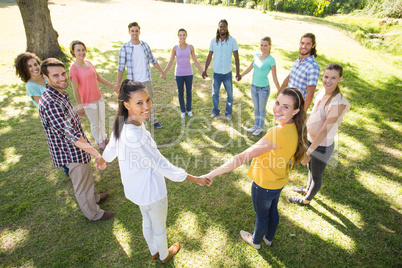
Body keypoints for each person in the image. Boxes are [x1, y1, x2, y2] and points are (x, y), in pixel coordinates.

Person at [102, 80, 209, 263]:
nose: (147, 106)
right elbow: (161, 164)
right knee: (159, 227)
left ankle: (154, 250)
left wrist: (103, 159)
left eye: (148, 100)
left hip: (137, 190)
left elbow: (111, 150)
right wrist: (195, 178)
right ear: (126, 105)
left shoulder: (123, 124)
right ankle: (164, 254)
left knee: (147, 219)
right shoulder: (134, 136)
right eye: (139, 103)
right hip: (152, 192)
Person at [203, 88, 307, 249]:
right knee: (273, 211)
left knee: (262, 216)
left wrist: (212, 173)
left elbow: (241, 157)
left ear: (296, 111)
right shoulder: (297, 128)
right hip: (279, 182)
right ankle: (268, 238)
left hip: (264, 185)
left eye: (286, 107)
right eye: (277, 102)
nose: (278, 109)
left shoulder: (276, 134)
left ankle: (256, 241)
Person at [38, 58, 114, 221]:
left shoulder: (58, 93)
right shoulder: (51, 102)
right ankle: (94, 214)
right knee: (81, 184)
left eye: (63, 73)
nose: (62, 78)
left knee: (87, 177)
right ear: (45, 77)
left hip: (78, 148)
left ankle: (94, 198)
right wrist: (97, 154)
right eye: (55, 75)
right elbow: (71, 135)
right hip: (70, 151)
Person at [288, 63, 350, 206]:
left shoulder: (338, 102)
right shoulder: (321, 92)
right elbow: (315, 115)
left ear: (340, 79)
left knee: (316, 175)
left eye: (333, 78)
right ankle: (306, 189)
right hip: (310, 140)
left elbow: (324, 129)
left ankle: (306, 200)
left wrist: (309, 151)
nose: (328, 81)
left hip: (321, 146)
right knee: (310, 169)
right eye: (326, 77)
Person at [14, 52, 69, 176]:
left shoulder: (46, 77)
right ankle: (67, 169)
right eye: (30, 66)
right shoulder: (30, 86)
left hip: (63, 112)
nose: (34, 68)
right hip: (52, 117)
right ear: (24, 69)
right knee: (61, 143)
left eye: (36, 64)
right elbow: (43, 104)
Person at [116, 22, 166, 128]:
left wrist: (162, 71)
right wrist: (117, 84)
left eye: (136, 31)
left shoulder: (145, 45)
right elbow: (120, 67)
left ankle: (153, 120)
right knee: (136, 103)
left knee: (149, 101)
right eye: (132, 31)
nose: (134, 33)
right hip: (133, 82)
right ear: (129, 32)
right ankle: (141, 122)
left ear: (139, 32)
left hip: (146, 79)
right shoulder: (125, 48)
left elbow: (153, 60)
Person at [69, 40, 116, 150]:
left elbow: (98, 78)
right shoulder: (73, 69)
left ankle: (104, 138)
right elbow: (75, 90)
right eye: (78, 50)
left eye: (83, 50)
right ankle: (99, 141)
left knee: (102, 120)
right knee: (95, 123)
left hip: (99, 97)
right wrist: (80, 106)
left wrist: (112, 85)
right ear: (73, 52)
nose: (81, 52)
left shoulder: (89, 63)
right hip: (88, 101)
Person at [239, 36, 281, 136]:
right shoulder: (256, 56)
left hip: (263, 89)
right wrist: (241, 75)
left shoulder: (271, 60)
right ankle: (256, 125)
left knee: (261, 109)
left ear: (270, 46)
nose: (263, 47)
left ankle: (260, 127)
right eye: (261, 45)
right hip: (254, 86)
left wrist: (280, 90)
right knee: (256, 107)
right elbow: (250, 68)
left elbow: (274, 77)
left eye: (265, 45)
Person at [202, 19, 240, 120]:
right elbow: (209, 56)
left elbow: (236, 57)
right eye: (220, 26)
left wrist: (238, 73)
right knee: (215, 93)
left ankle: (228, 112)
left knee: (230, 94)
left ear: (227, 27)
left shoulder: (232, 41)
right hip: (217, 73)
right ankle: (215, 110)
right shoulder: (213, 41)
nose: (222, 28)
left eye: (224, 26)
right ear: (218, 28)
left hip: (227, 72)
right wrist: (204, 70)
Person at [163, 28, 204, 119]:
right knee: (180, 92)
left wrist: (202, 72)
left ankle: (188, 110)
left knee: (189, 92)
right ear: (178, 36)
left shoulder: (190, 47)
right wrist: (164, 72)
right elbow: (170, 62)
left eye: (184, 35)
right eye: (180, 35)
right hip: (179, 74)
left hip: (189, 73)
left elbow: (195, 61)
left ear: (186, 36)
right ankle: (182, 110)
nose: (182, 37)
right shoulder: (175, 48)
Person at [279, 33, 320, 111]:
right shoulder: (297, 61)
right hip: (287, 103)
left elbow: (310, 94)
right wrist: (279, 94)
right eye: (302, 43)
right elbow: (289, 77)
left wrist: (302, 114)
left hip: (296, 108)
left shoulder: (312, 66)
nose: (304, 46)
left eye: (308, 44)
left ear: (313, 45)